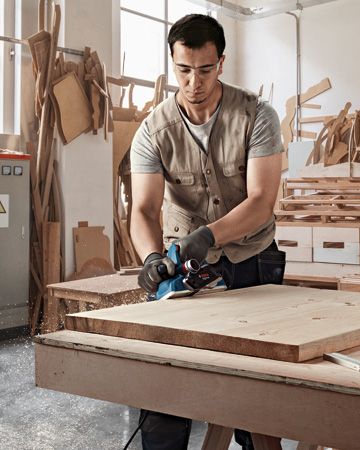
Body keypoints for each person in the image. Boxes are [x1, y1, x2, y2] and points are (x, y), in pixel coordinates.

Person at [129, 13, 286, 450]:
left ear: (221, 62)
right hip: (185, 266)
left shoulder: (257, 116)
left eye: (204, 69)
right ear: (172, 63)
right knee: (164, 388)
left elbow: (261, 201)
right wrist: (150, 258)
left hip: (250, 259)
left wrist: (208, 237)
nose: (194, 81)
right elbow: (142, 209)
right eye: (183, 70)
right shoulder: (152, 130)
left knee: (257, 391)